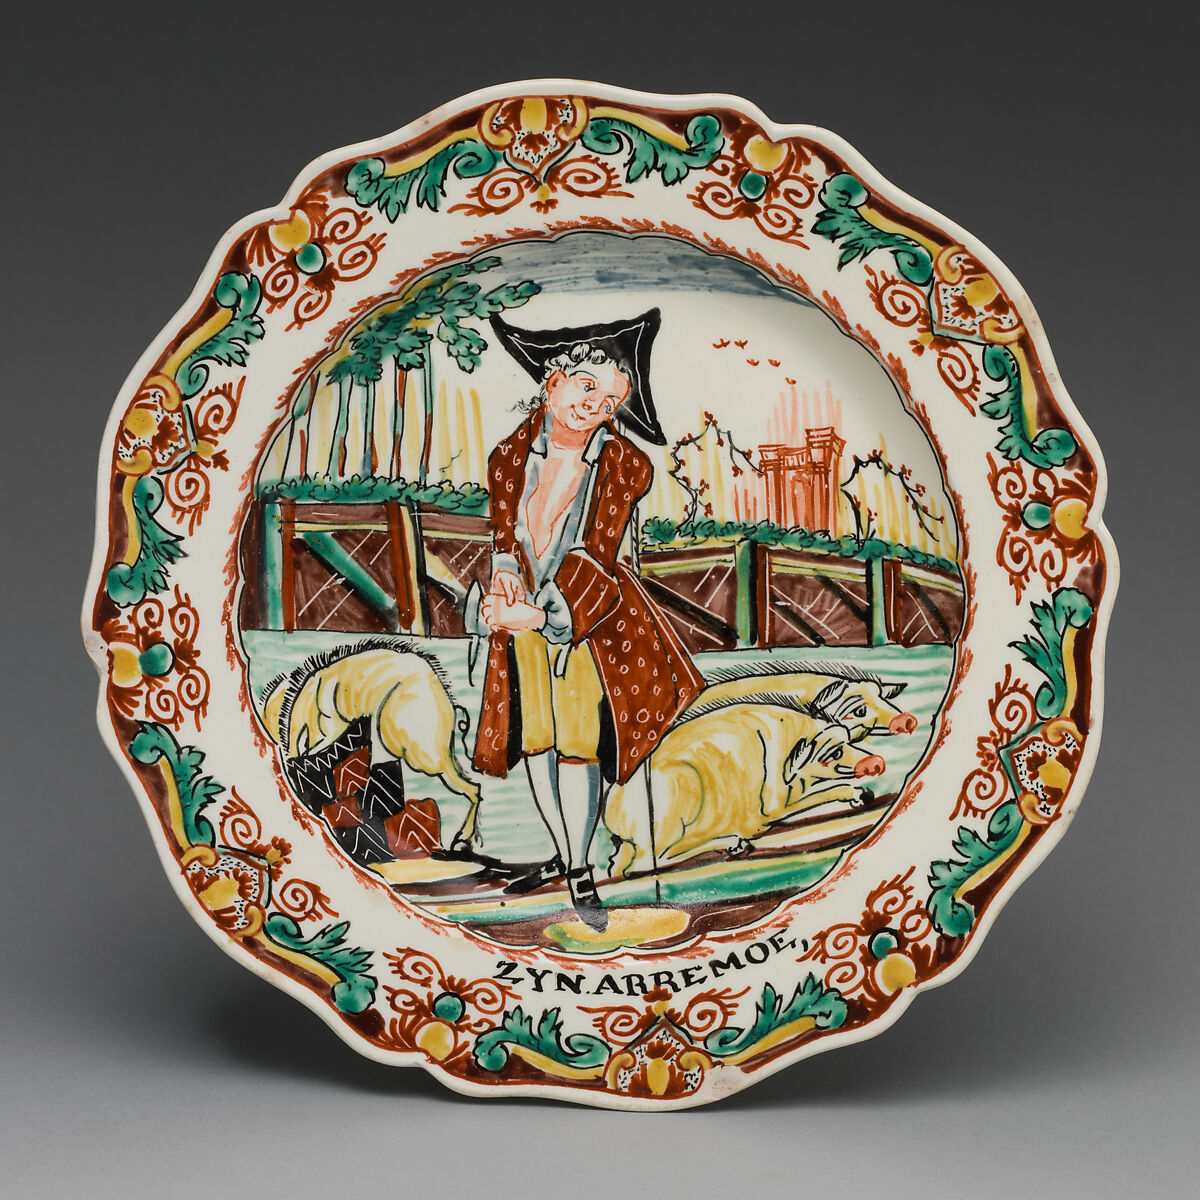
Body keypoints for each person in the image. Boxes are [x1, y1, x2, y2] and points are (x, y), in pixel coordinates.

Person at [465, 309, 704, 930]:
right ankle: (563, 850)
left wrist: (537, 614)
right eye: (587, 386)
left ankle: (579, 871)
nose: (595, 406)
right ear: (553, 380)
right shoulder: (507, 458)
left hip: (589, 622)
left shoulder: (625, 465)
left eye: (610, 401)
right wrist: (503, 575)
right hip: (519, 619)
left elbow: (597, 553)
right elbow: (504, 536)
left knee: (577, 745)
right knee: (535, 739)